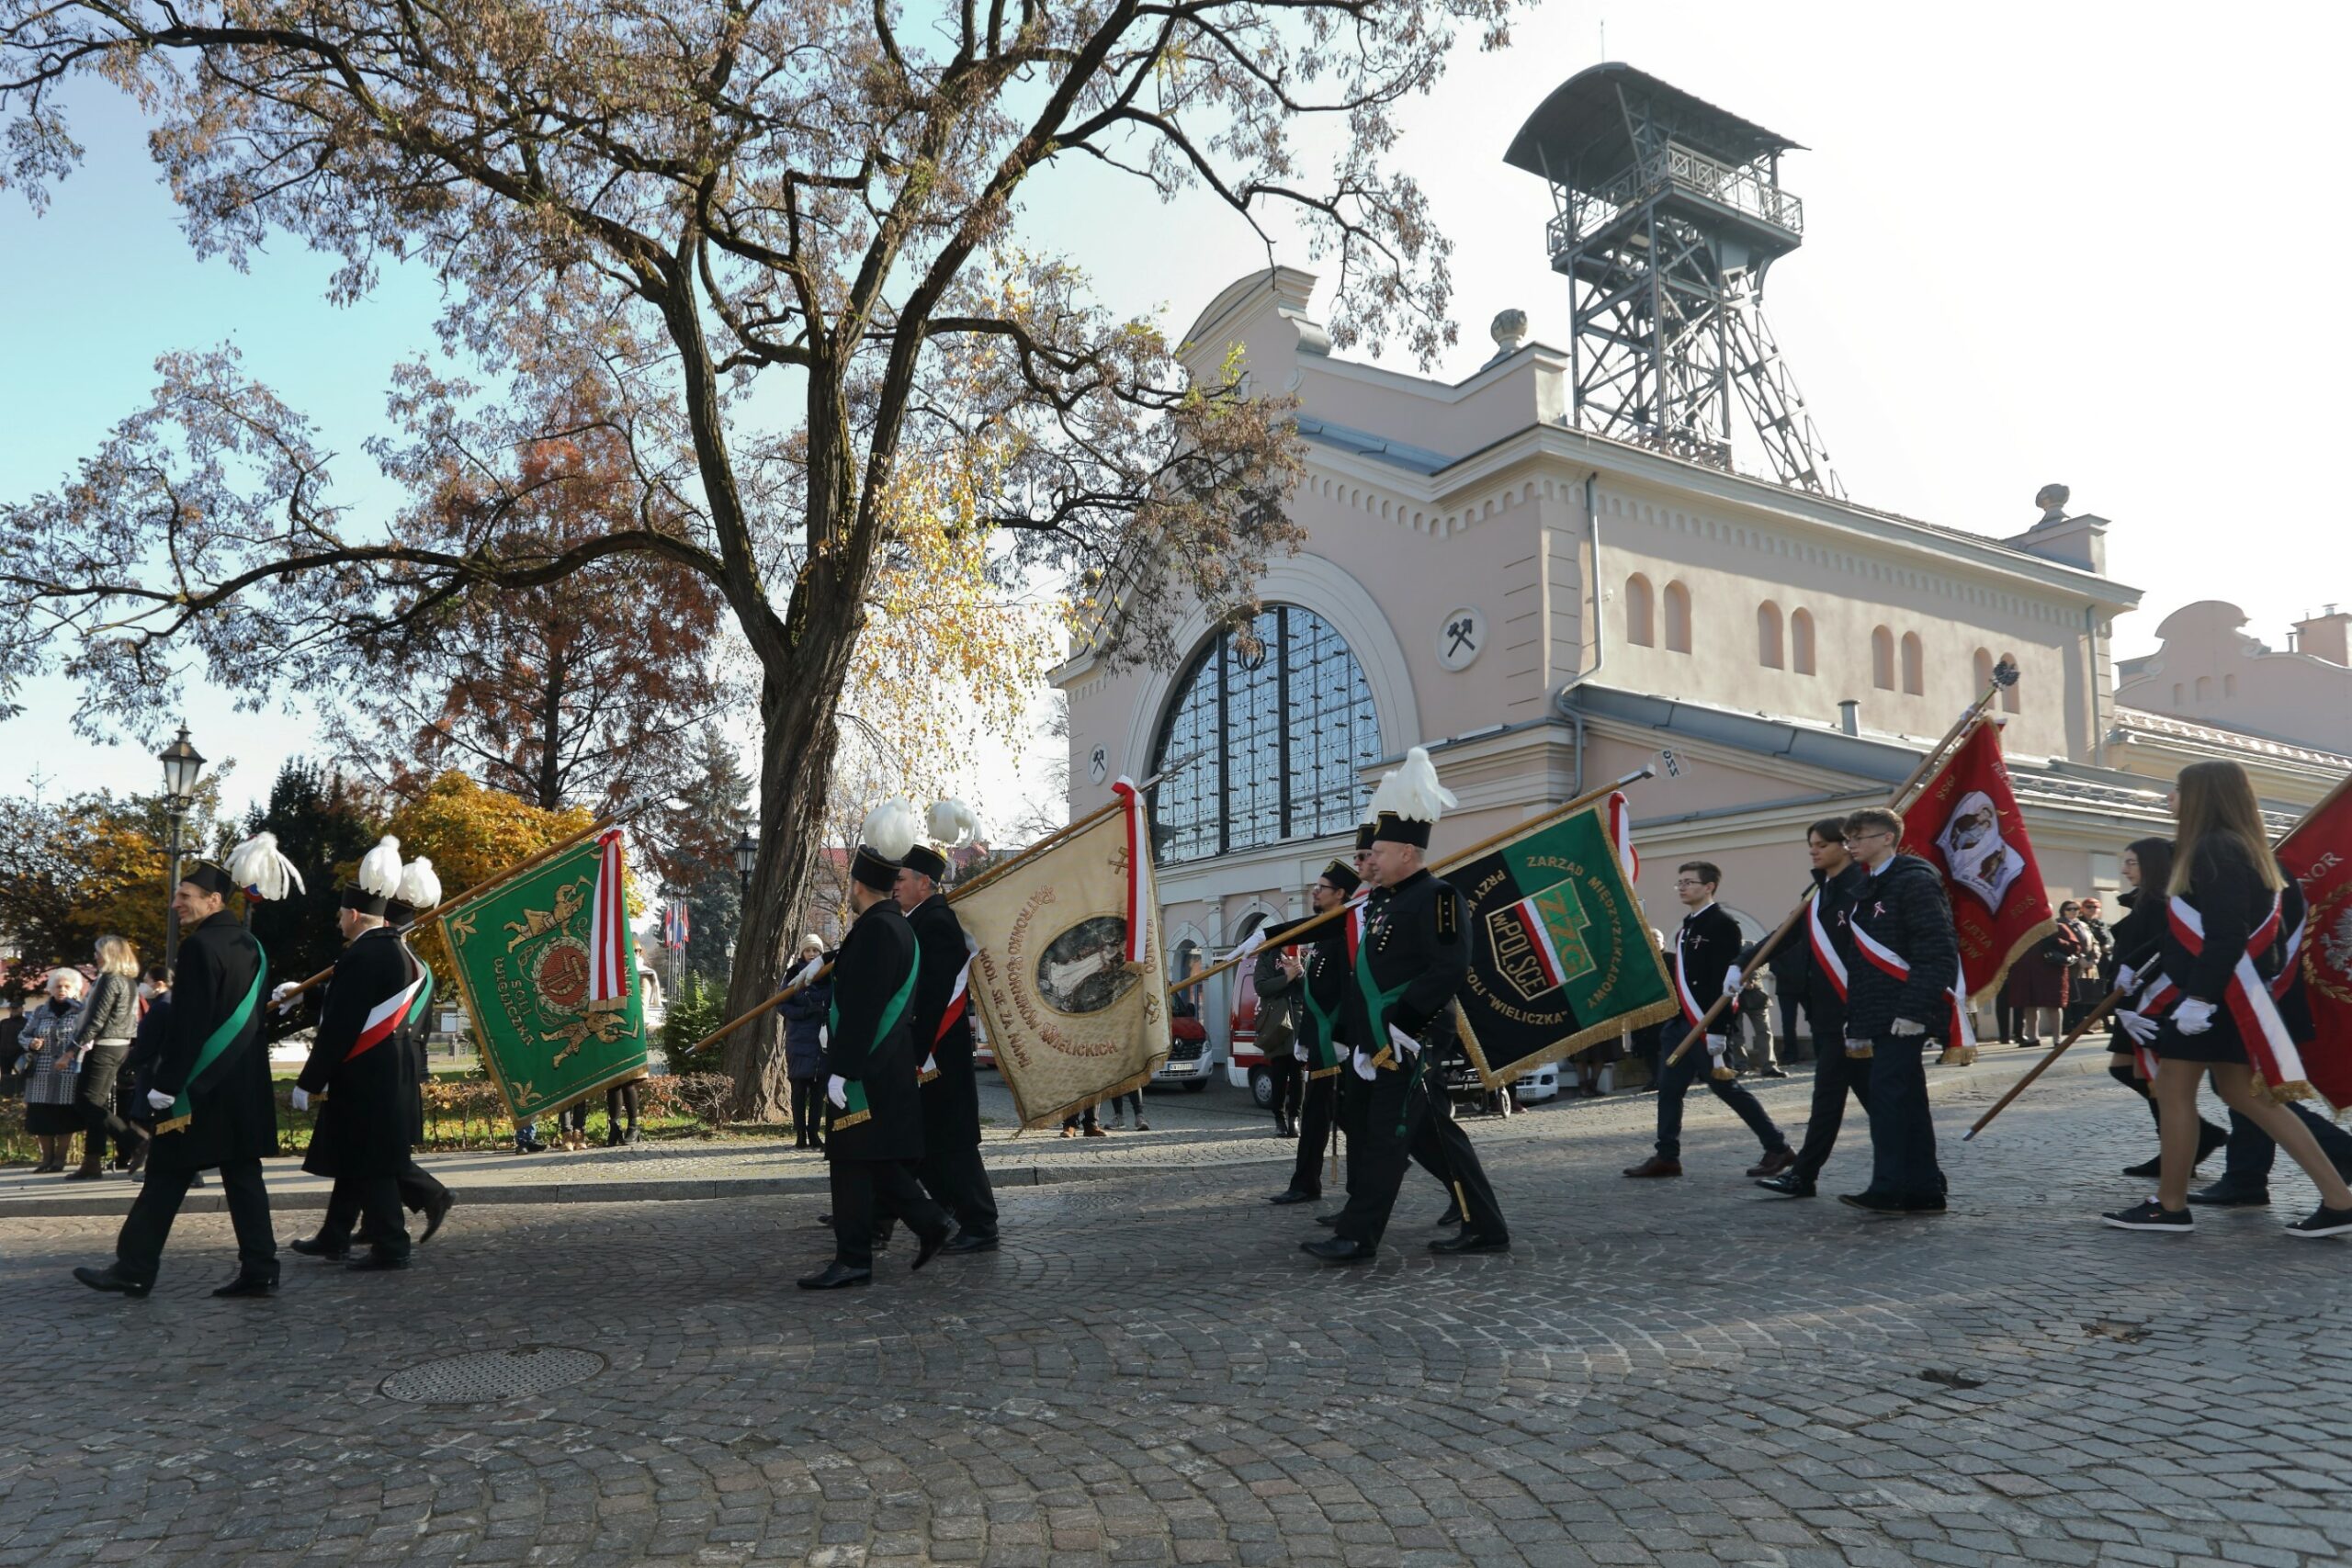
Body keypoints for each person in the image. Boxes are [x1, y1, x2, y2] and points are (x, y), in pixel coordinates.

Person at [2104, 761, 2352, 1235]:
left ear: (2203, 796)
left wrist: (2197, 999)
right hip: (2226, 997)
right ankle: (2339, 1199)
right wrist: (2142, 961)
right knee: (2246, 1095)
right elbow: (2195, 932)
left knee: (2175, 1092)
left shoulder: (2213, 851)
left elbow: (2225, 934)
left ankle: (2169, 1206)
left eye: (2177, 790)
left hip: (2212, 1000)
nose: (2170, 798)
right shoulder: (2234, 849)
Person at [1304, 747, 1509, 1263]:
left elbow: (1448, 968)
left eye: (1377, 852)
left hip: (1414, 1038)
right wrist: (1360, 1039)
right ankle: (1486, 1225)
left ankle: (1357, 1234)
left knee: (1386, 1135)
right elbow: (1366, 977)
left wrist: (1407, 1025)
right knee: (1431, 1138)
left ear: (1407, 854)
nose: (1367, 861)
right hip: (1381, 1040)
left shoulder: (1438, 898)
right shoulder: (1382, 902)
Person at [75, 859, 280, 1298]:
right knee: (243, 1176)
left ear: (213, 900)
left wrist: (165, 1086)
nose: (175, 904)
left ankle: (133, 1268)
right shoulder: (253, 945)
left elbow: (188, 1026)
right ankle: (261, 1268)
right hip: (243, 1085)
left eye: (184, 896)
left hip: (199, 1090)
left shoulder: (200, 947)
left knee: (165, 1176)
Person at [799, 803, 953, 1289]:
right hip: (883, 1065)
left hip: (865, 1070)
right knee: (874, 1159)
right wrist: (825, 959)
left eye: (849, 883)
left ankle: (853, 1260)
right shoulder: (891, 925)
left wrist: (841, 1068)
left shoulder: (879, 930)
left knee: (850, 1161)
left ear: (858, 885)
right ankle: (930, 1224)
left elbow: (866, 1005)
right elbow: (862, 976)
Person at [287, 837, 427, 1270]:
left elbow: (342, 1026)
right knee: (361, 1158)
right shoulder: (395, 952)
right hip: (388, 1073)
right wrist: (304, 998)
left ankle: (391, 1245)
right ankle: (336, 1236)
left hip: (365, 1074)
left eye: (339, 916)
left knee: (371, 1163)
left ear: (351, 914)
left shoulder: (362, 955)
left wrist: (309, 1080)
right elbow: (353, 1007)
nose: (337, 922)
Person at [1623, 863, 1794, 1181]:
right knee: (1669, 1090)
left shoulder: (1723, 924)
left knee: (1727, 1088)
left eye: (1690, 882)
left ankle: (1778, 1147)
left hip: (1705, 1025)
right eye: (1680, 883)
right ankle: (1667, 1155)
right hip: (1680, 1023)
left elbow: (1723, 982)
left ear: (1709, 886)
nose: (1682, 888)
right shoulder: (1688, 925)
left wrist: (1718, 1030)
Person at [1837, 807, 1958, 1214]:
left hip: (1903, 1010)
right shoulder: (1869, 885)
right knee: (1906, 1101)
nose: (1851, 845)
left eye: (1860, 836)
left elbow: (1936, 950)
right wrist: (1856, 1020)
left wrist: (1914, 1010)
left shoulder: (1914, 882)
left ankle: (1888, 1186)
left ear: (1888, 837)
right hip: (1877, 1009)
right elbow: (1860, 960)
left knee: (1888, 1099)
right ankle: (1923, 1188)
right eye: (1849, 838)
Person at [896, 817, 1001, 1255]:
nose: (895, 885)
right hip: (931, 1050)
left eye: (901, 879)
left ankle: (979, 1222)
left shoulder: (934, 921)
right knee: (931, 1142)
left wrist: (917, 1053)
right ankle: (948, 1214)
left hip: (939, 1050)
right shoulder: (923, 918)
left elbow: (937, 994)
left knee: (953, 1141)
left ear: (924, 882)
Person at [1757, 819, 1871, 1200]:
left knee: (1874, 1103)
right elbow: (1785, 933)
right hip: (1827, 1014)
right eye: (1811, 844)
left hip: (1858, 1014)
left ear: (1845, 845)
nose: (1814, 850)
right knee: (1830, 1098)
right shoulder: (1818, 891)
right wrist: (1743, 964)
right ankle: (1803, 1175)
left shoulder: (1861, 886)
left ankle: (1912, 1174)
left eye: (1822, 844)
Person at [2103, 840, 2228, 1179]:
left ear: (2153, 865)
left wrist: (2132, 1000)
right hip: (2134, 1001)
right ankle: (2191, 1140)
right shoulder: (2145, 901)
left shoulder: (2160, 904)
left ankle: (2183, 1148)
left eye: (2132, 862)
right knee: (2136, 1074)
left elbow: (2163, 954)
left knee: (2155, 1080)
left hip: (2151, 1001)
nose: (2125, 869)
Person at [1263, 858, 1360, 1206]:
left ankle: (1387, 1159)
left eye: (1322, 888)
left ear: (1341, 895)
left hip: (1338, 1043)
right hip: (1320, 1039)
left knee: (1341, 1112)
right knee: (1320, 1112)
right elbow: (1318, 989)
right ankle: (1305, 1183)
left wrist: (1342, 1037)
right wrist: (1305, 1038)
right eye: (1315, 887)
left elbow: (1350, 988)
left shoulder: (1343, 933)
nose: (1314, 892)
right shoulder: (1326, 932)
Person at [63, 935, 148, 1179]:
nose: (95, 956)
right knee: (95, 1105)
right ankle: (91, 1162)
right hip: (117, 1045)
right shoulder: (127, 981)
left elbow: (96, 1020)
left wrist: (71, 1049)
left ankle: (136, 1143)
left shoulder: (110, 980)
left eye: (98, 952)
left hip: (105, 1046)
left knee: (85, 1102)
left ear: (110, 954)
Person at [18, 968, 88, 1173]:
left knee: (65, 1116)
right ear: (51, 989)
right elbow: (23, 1035)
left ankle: (60, 1160)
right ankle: (45, 1159)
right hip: (41, 1070)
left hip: (68, 1071)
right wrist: (31, 1042)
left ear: (75, 989)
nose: (62, 990)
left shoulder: (81, 1012)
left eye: (67, 986)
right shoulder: (41, 1011)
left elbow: (86, 1037)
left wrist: (72, 1053)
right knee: (41, 1117)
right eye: (58, 986)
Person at [1251, 918, 1306, 1138]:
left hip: (1299, 1021)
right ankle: (1279, 1119)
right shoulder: (1266, 956)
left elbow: (1310, 989)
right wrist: (1286, 977)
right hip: (1275, 1022)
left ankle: (1295, 1118)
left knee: (1298, 1073)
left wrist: (1300, 973)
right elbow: (1261, 986)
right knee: (1279, 1073)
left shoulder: (1302, 955)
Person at [781, 933, 831, 1150]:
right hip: (799, 1039)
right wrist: (804, 1011)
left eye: (816, 951)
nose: (812, 954)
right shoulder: (793, 974)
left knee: (819, 1091)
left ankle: (814, 1133)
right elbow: (782, 1005)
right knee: (799, 1091)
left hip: (822, 1040)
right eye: (808, 950)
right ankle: (800, 1134)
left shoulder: (829, 975)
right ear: (802, 953)